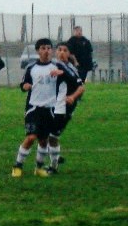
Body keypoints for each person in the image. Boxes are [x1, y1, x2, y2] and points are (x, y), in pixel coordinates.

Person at [11, 38, 79, 177]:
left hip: (50, 109)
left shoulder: (58, 66)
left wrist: (62, 73)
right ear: (38, 51)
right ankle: (17, 166)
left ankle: (39, 168)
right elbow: (23, 84)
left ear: (51, 50)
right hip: (33, 108)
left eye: (48, 48)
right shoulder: (31, 67)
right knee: (31, 137)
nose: (46, 51)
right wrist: (25, 86)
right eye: (43, 48)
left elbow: (74, 80)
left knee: (43, 141)